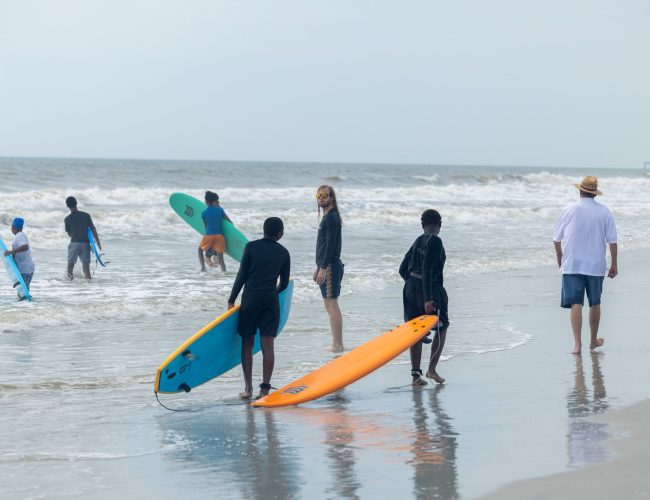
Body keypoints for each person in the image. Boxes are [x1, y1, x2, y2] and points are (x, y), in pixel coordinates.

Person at [553, 176, 618, 355]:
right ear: (594, 194)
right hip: (595, 265)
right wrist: (614, 264)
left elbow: (556, 238)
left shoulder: (569, 209)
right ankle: (593, 341)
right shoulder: (604, 211)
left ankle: (577, 345)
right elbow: (612, 241)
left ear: (580, 190)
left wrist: (559, 256)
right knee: (595, 302)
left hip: (572, 263)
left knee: (576, 303)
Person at [227, 217, 290, 400]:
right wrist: (272, 293)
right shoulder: (283, 253)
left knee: (247, 342)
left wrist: (231, 300)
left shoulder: (251, 247)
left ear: (264, 230)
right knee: (267, 345)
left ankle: (248, 389)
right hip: (270, 299)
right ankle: (265, 390)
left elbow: (242, 276)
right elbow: (284, 284)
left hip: (251, 298)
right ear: (280, 234)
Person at [399, 209, 449, 386]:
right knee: (442, 326)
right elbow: (428, 268)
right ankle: (432, 369)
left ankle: (415, 377)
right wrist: (427, 298)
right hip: (430, 290)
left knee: (416, 331)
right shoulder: (435, 241)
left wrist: (412, 284)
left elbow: (402, 268)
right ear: (440, 225)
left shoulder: (417, 240)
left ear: (422, 225)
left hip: (410, 287)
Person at [313, 185, 344, 352]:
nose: (321, 198)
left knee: (332, 304)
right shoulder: (327, 218)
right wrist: (318, 267)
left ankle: (338, 344)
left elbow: (331, 245)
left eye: (325, 195)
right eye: (318, 195)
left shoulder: (331, 218)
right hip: (326, 265)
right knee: (329, 304)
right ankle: (337, 343)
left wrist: (324, 268)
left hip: (331, 265)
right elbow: (323, 245)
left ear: (331, 197)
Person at [64, 196, 100, 280]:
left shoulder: (67, 219)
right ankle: (88, 286)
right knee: (86, 269)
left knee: (70, 267)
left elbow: (69, 233)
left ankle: (69, 286)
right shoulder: (86, 215)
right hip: (85, 244)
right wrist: (98, 243)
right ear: (76, 203)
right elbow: (93, 229)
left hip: (74, 244)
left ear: (67, 206)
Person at [199, 191, 231, 272]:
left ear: (206, 201)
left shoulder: (203, 213)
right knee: (221, 258)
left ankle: (203, 268)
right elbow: (229, 222)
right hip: (219, 236)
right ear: (215, 201)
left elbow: (206, 227)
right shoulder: (220, 210)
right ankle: (224, 271)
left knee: (200, 250)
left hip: (209, 236)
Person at [4, 217, 35, 299]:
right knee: (22, 292)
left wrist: (11, 252)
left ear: (14, 227)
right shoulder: (19, 235)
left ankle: (27, 308)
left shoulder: (19, 236)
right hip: (25, 268)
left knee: (23, 294)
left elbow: (25, 246)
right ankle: (27, 308)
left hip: (26, 269)